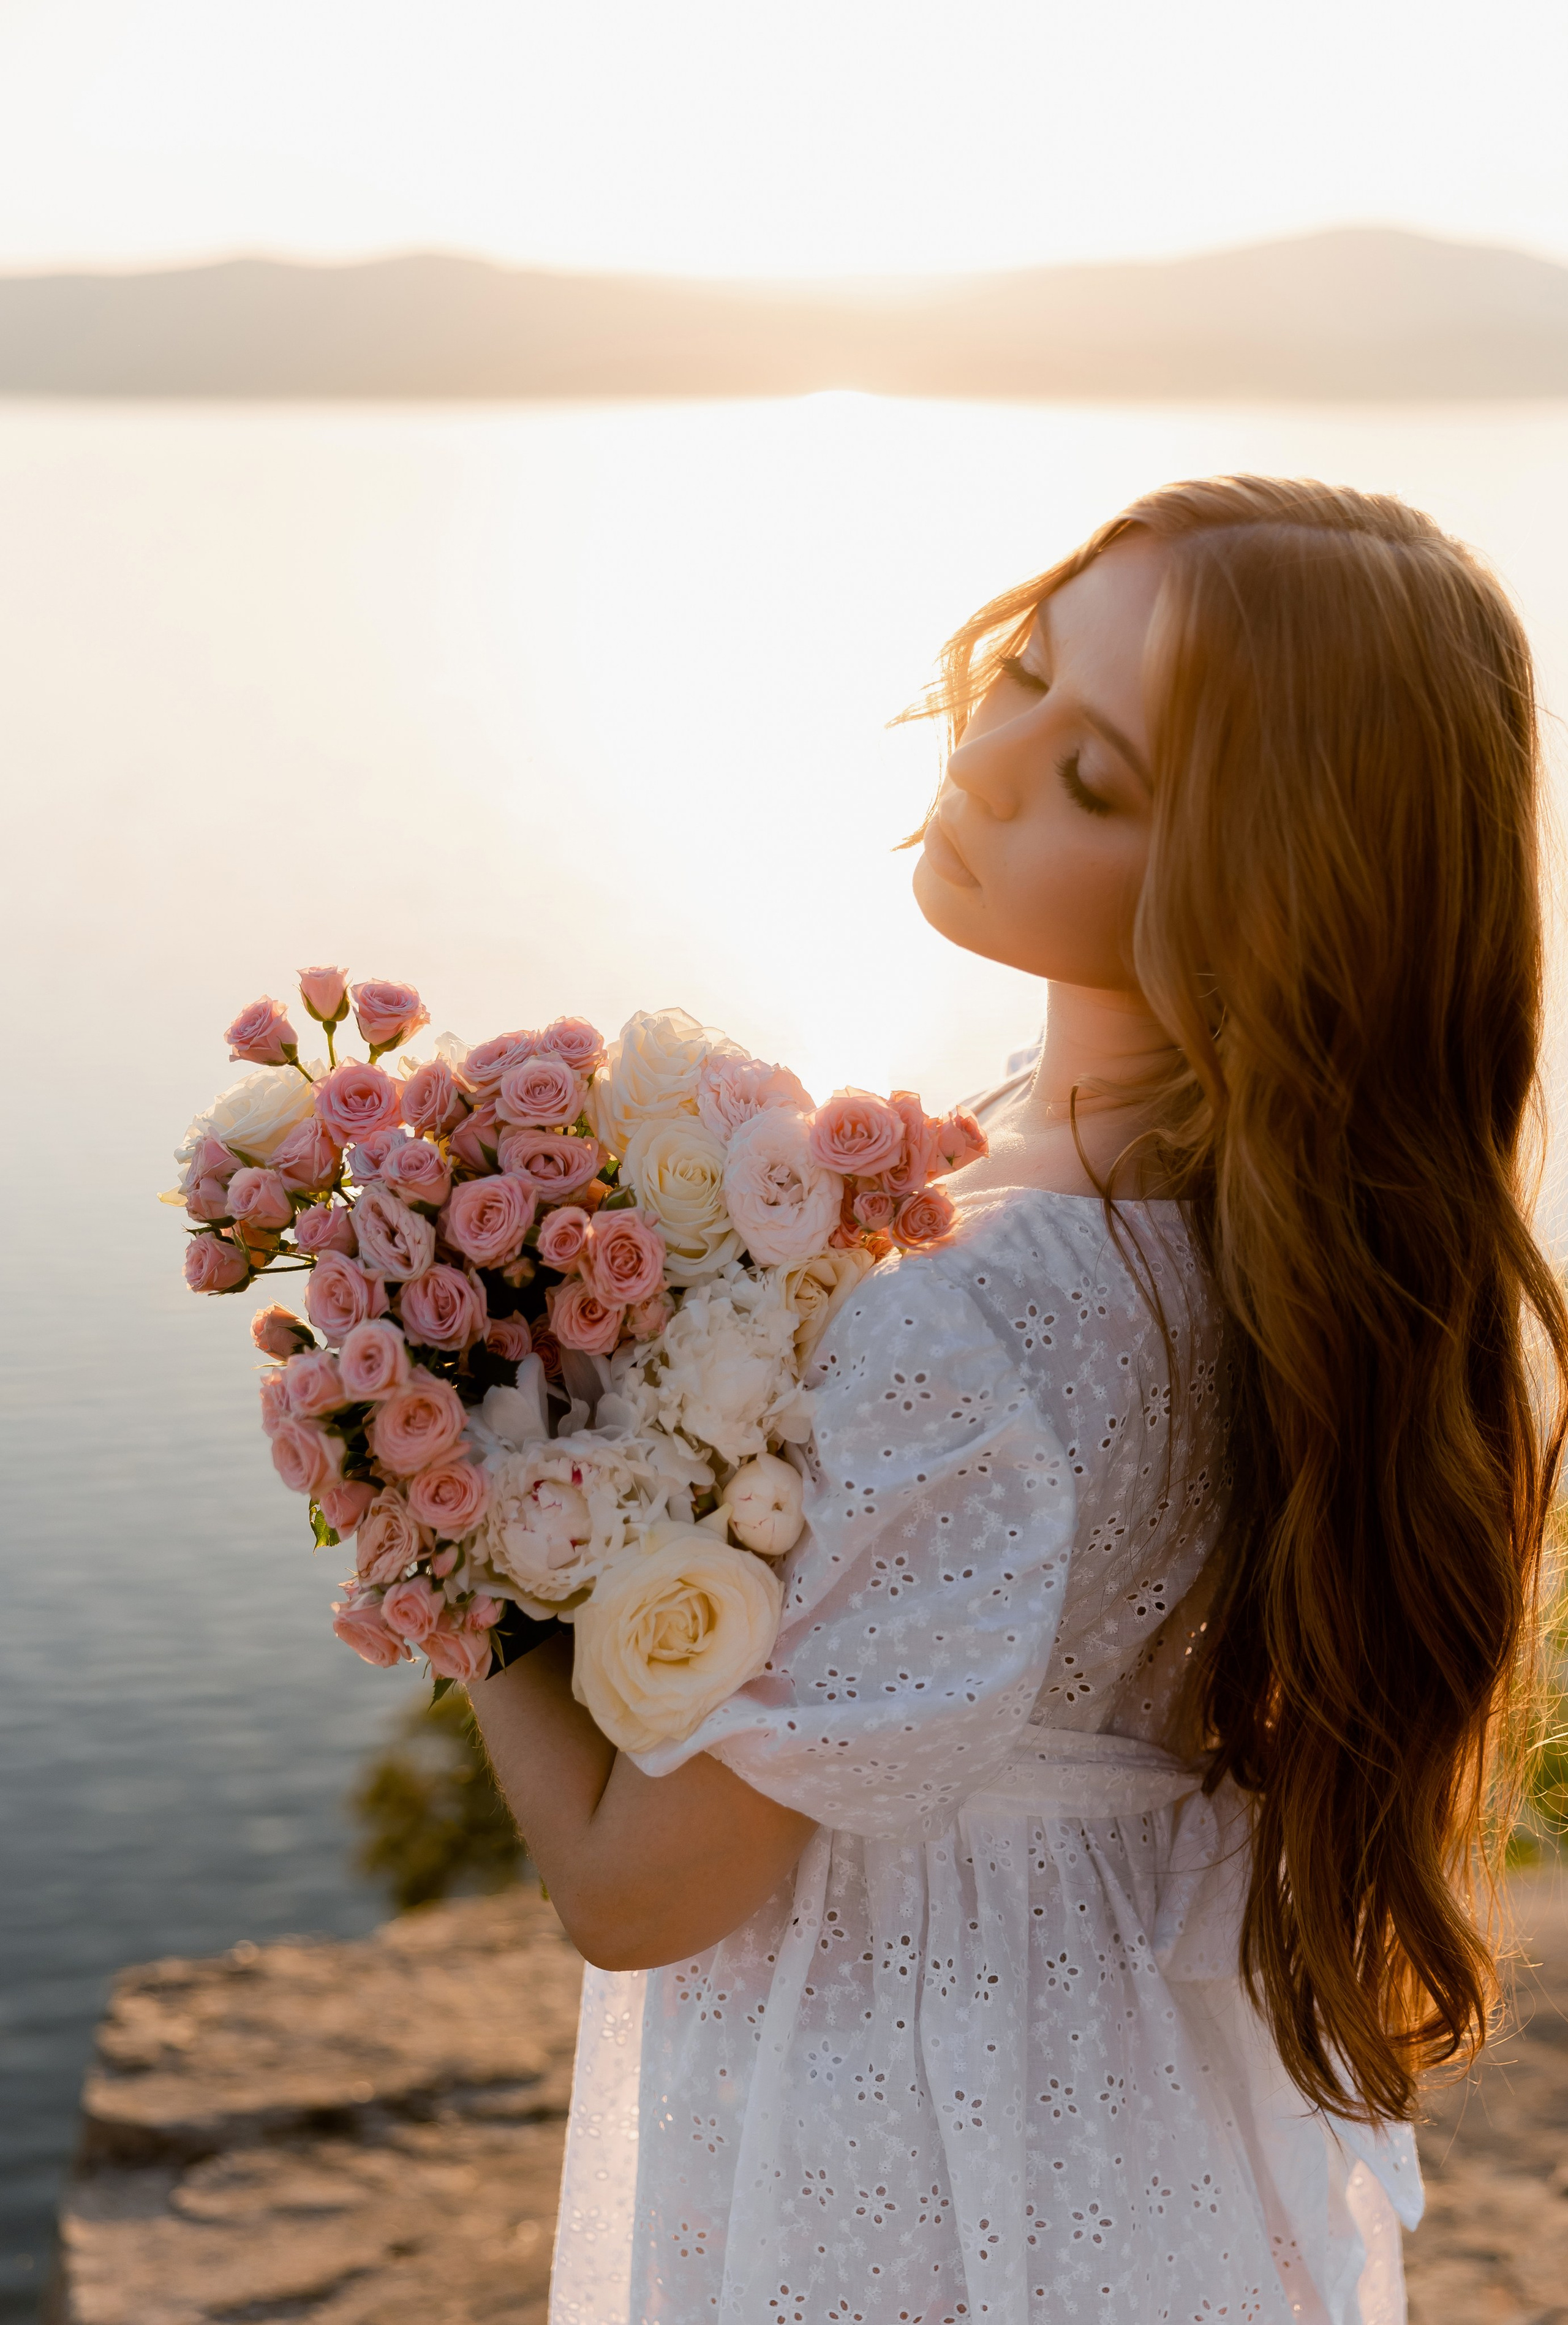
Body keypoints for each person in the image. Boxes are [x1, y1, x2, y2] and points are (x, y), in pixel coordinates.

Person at [470, 475, 1568, 2324]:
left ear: (1263, 886)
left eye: (1098, 779)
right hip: (1130, 2111)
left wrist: (460, 1523)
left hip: (900, 2154)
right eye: (1029, 679)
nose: (989, 764)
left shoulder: (976, 1322)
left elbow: (635, 1892)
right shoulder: (1265, 1228)